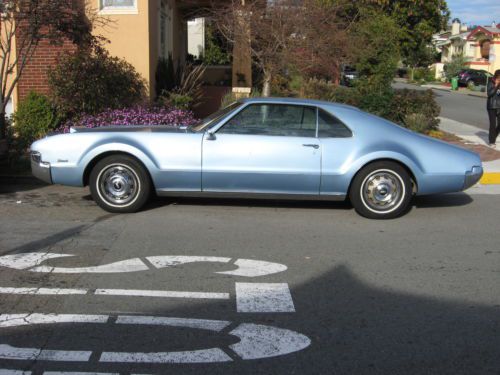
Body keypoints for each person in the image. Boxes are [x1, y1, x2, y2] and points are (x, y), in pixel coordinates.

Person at [487, 69, 500, 147]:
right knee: (493, 124)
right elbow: (489, 94)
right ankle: (492, 141)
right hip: (492, 106)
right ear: (496, 76)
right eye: (499, 77)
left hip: (499, 107)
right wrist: (495, 86)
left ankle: (493, 136)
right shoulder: (491, 82)